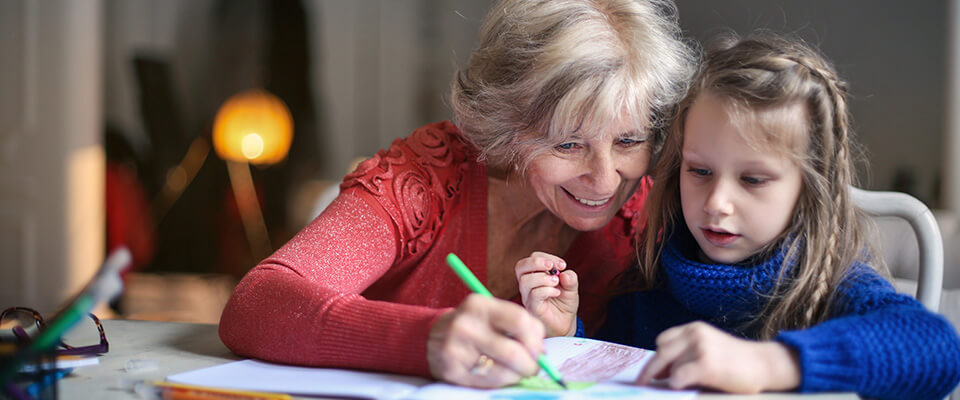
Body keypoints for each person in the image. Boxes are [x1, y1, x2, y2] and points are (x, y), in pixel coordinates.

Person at [218, 0, 696, 388]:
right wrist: (424, 340)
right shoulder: (427, 177)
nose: (607, 181)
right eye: (568, 143)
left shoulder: (643, 215)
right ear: (509, 126)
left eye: (629, 141)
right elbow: (257, 305)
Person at [516, 33, 960, 398]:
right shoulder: (650, 274)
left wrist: (769, 363)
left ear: (808, 187)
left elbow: (936, 349)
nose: (716, 203)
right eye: (701, 171)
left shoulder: (826, 284)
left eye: (753, 180)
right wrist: (565, 334)